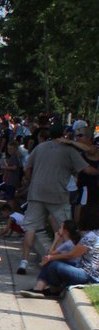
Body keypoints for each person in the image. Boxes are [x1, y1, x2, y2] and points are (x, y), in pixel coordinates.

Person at [19, 125, 97, 273]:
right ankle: (60, 261)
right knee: (65, 228)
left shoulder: (40, 147)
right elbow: (87, 169)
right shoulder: (69, 150)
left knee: (30, 227)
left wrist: (32, 182)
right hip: (58, 194)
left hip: (36, 192)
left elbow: (27, 168)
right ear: (64, 135)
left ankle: (23, 262)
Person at [20, 221, 99, 296]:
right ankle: (39, 288)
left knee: (54, 265)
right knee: (53, 261)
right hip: (85, 270)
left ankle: (53, 290)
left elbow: (72, 255)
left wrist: (51, 258)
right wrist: (52, 257)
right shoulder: (94, 235)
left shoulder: (92, 236)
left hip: (88, 275)